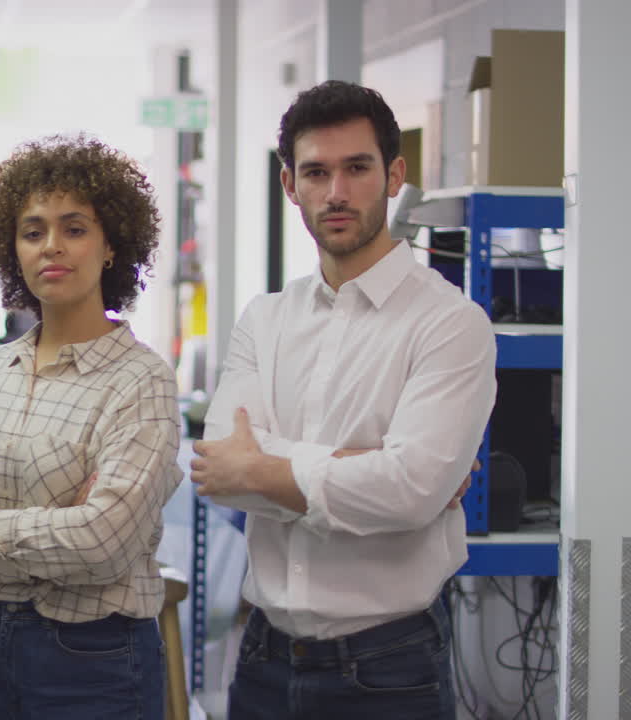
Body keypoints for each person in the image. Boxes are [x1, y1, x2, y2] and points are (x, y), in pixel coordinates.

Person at [191, 80, 496, 719]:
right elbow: (220, 472)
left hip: (390, 669)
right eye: (316, 172)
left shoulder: (449, 323)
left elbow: (409, 491)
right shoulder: (266, 318)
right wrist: (361, 465)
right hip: (264, 661)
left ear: (393, 174)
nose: (336, 192)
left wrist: (266, 467)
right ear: (288, 184)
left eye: (357, 168)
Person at [0, 135, 182, 720]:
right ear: (14, 250)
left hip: (97, 658)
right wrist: (59, 537)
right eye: (33, 231)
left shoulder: (141, 381)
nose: (52, 247)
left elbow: (104, 542)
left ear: (111, 245)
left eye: (75, 228)